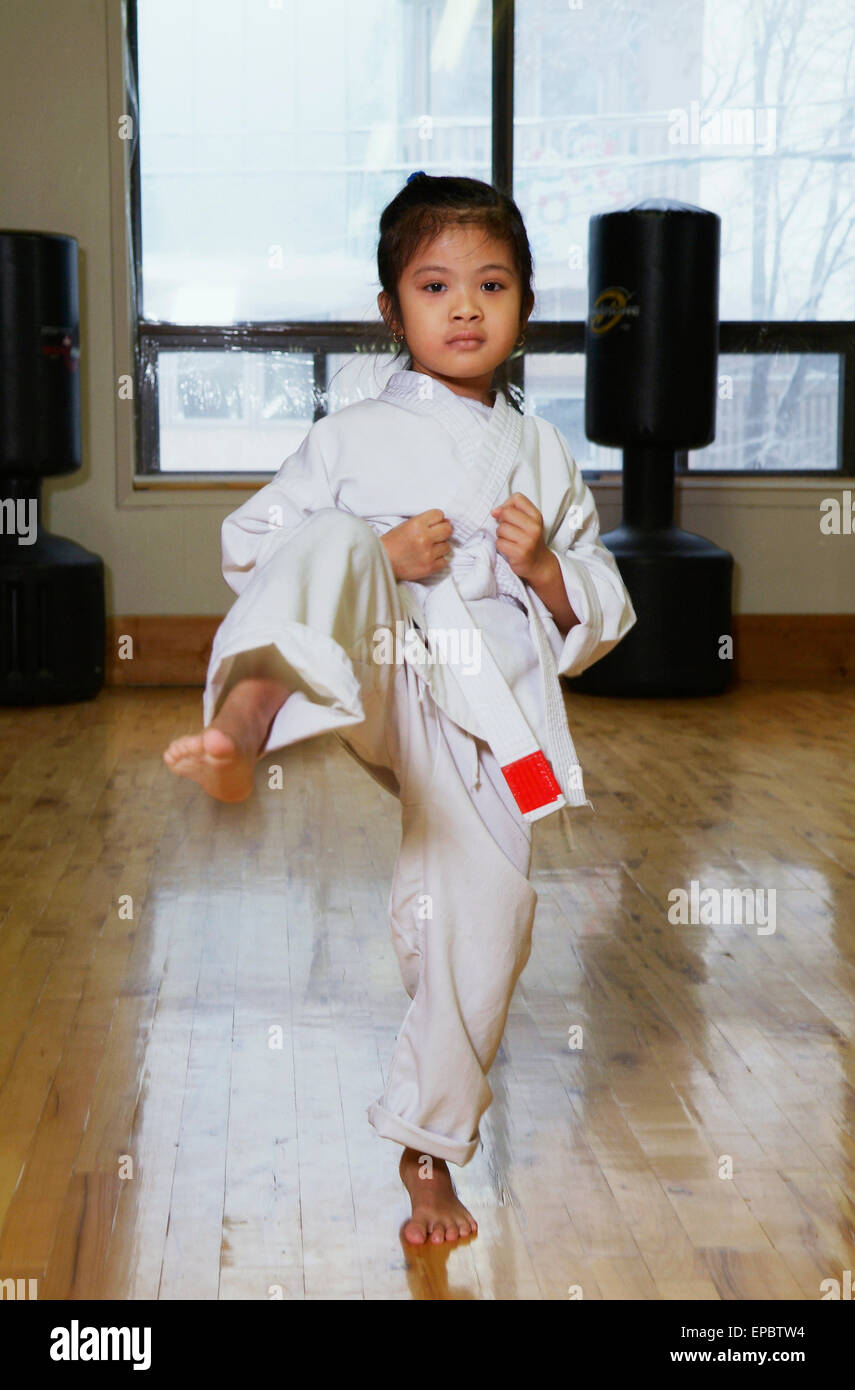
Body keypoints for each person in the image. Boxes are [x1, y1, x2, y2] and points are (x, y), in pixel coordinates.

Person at [163, 172, 636, 1248]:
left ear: (523, 306)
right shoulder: (351, 434)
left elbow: (604, 601)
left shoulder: (544, 453)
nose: (465, 307)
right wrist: (380, 553)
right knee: (324, 544)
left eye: (492, 283)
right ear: (393, 311)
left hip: (494, 716)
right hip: (383, 659)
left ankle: (428, 1152)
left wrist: (548, 569)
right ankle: (241, 721)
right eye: (435, 285)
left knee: (485, 916)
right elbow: (250, 541)